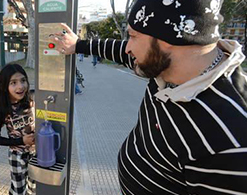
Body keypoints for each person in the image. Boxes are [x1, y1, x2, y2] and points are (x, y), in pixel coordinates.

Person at [50, 0, 247, 194]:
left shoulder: (230, 142)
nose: (127, 48)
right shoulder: (164, 63)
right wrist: (79, 44)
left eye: (133, 36)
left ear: (168, 39)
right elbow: (123, 52)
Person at [0, 64, 36, 195]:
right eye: (13, 83)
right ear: (4, 86)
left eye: (23, 80)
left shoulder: (33, 97)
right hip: (17, 156)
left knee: (34, 189)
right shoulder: (2, 108)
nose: (20, 86)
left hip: (37, 153)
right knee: (18, 190)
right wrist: (21, 140)